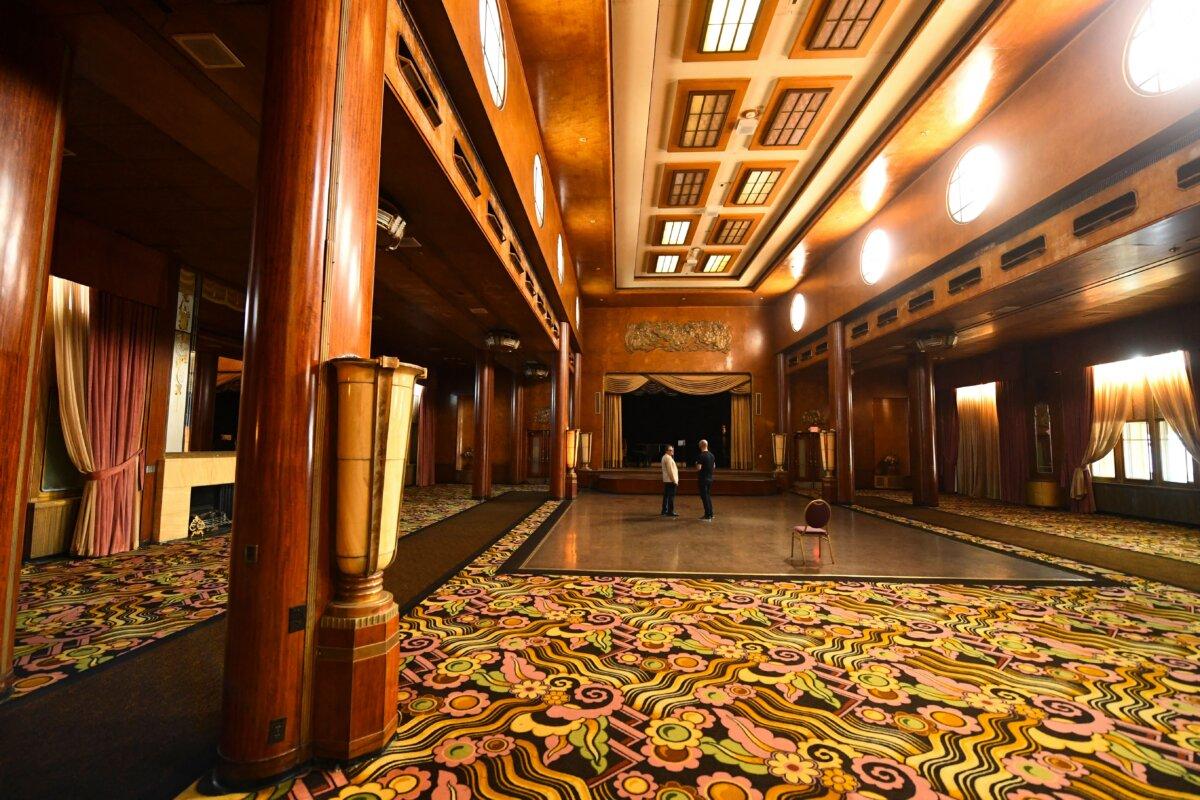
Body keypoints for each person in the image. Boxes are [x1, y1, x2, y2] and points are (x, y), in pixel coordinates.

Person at [696, 439, 716, 521]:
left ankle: (707, 515)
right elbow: (714, 466)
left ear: (700, 446)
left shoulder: (701, 456)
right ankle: (711, 514)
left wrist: (696, 464)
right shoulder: (712, 455)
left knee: (704, 497)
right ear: (707, 445)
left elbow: (698, 468)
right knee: (708, 496)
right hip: (710, 479)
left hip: (703, 479)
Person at [660, 445, 679, 517]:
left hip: (667, 480)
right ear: (667, 451)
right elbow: (670, 471)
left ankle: (664, 511)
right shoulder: (668, 458)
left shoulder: (665, 457)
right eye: (670, 450)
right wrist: (674, 481)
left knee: (666, 496)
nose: (672, 451)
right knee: (671, 496)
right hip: (670, 480)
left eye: (672, 450)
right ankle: (670, 511)